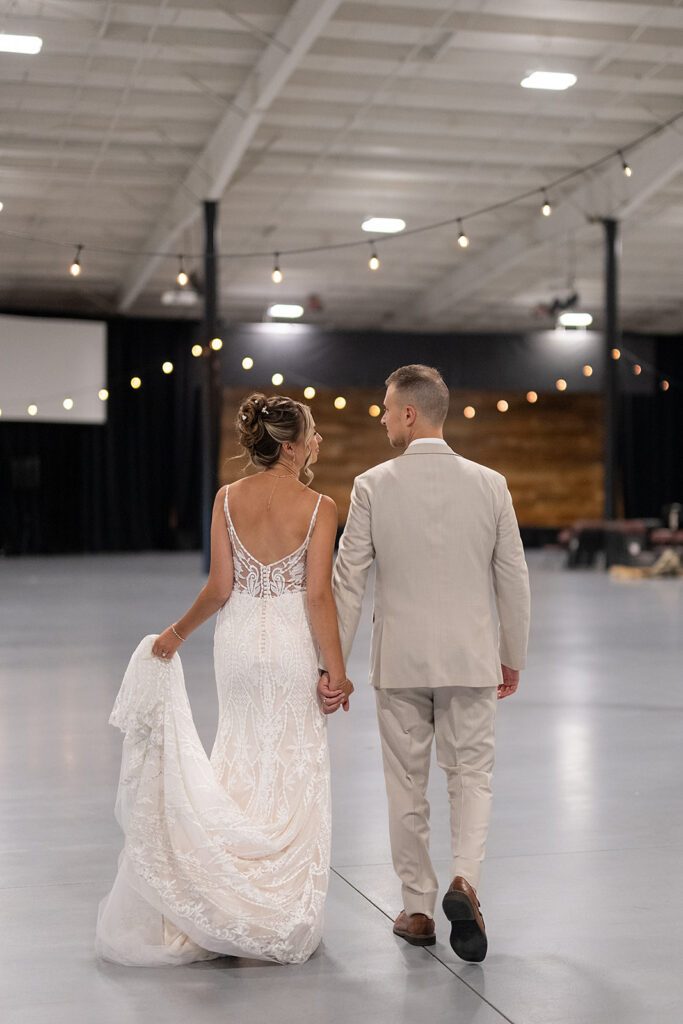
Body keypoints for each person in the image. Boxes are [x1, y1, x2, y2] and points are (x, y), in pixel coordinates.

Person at [96, 393, 351, 967]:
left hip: (236, 646)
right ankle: (275, 905)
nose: (315, 443)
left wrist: (174, 635)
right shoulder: (320, 506)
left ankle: (225, 894)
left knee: (237, 750)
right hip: (288, 643)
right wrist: (335, 671)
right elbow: (316, 595)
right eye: (310, 434)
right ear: (290, 444)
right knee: (291, 759)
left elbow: (219, 587)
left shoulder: (227, 498)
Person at [319, 364, 530, 963]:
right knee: (472, 776)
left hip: (401, 662)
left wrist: (332, 665)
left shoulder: (371, 486)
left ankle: (417, 907)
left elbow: (348, 584)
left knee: (405, 783)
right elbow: (513, 578)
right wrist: (510, 655)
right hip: (471, 658)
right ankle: (465, 880)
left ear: (410, 413)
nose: (384, 418)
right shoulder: (492, 484)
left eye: (387, 408)